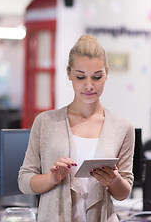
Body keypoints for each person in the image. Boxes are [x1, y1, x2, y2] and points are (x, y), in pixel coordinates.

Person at [18, 34, 135, 222]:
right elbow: (24, 181)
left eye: (97, 77)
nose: (89, 86)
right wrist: (52, 178)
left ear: (106, 74)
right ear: (69, 73)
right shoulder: (46, 122)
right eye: (81, 77)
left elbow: (123, 193)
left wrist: (114, 180)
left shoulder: (122, 127)